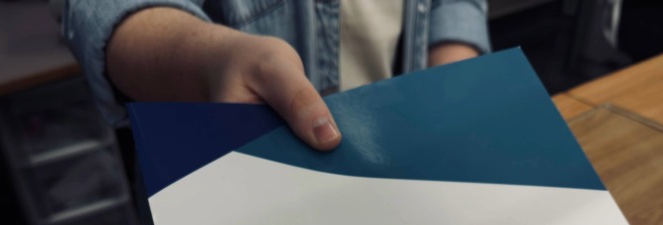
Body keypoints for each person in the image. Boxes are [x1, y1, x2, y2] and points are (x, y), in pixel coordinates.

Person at [62, 1, 490, 151]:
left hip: (403, 159)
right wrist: (213, 60)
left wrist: (449, 84)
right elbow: (104, 11)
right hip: (235, 179)